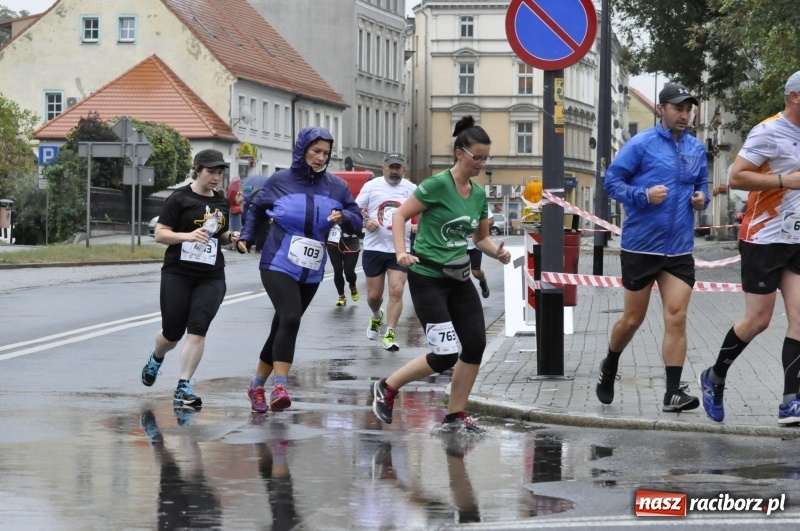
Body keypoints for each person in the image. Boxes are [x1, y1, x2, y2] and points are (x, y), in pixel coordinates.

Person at [371, 116, 511, 433]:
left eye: (486, 158)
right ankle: (387, 387)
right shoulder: (436, 185)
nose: (482, 164)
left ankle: (455, 415)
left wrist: (498, 253)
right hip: (427, 278)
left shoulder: (478, 194)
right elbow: (399, 216)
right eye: (477, 157)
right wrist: (401, 252)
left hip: (459, 278)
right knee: (446, 354)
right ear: (460, 153)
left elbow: (480, 238)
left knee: (474, 345)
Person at [595, 83, 709, 412]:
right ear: (662, 109)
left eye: (688, 109)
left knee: (677, 316)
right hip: (641, 246)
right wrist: (643, 195)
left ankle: (672, 393)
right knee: (632, 319)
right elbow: (612, 182)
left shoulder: (696, 148)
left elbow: (702, 184)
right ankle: (610, 363)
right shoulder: (641, 144)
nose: (684, 115)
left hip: (679, 249)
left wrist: (702, 198)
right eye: (678, 108)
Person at [698, 71, 800, 426]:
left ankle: (791, 401)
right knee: (758, 320)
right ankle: (714, 376)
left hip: (796, 238)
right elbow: (736, 177)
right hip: (763, 237)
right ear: (795, 96)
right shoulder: (768, 131)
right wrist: (785, 180)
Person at [237, 127, 362, 414]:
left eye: (326, 153)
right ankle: (280, 386)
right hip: (278, 262)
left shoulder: (337, 186)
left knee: (283, 325)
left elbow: (357, 219)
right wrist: (246, 235)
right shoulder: (280, 181)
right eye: (315, 151)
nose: (320, 158)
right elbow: (256, 209)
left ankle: (256, 386)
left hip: (312, 269)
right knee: (291, 317)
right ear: (303, 150)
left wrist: (344, 216)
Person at [140, 149, 240, 409]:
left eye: (220, 172)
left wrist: (232, 238)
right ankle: (157, 357)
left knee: (198, 329)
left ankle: (183, 386)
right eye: (210, 171)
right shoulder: (179, 198)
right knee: (172, 333)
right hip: (178, 273)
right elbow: (160, 234)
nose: (216, 177)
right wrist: (188, 236)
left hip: (211, 276)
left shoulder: (220, 202)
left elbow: (220, 235)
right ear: (197, 170)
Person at [356, 152, 417, 350]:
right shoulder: (371, 186)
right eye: (391, 167)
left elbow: (424, 210)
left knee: (397, 290)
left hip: (400, 249)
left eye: (398, 167)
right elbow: (355, 209)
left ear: (404, 168)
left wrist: (418, 225)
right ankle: (376, 316)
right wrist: (366, 221)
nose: (394, 171)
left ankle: (390, 333)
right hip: (374, 247)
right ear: (383, 167)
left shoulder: (411, 189)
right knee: (374, 296)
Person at [326, 222, 361, 306]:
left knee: (349, 271)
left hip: (351, 240)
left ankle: (352, 285)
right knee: (337, 270)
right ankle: (341, 296)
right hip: (333, 241)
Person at [467, 210, 494, 298]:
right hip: (459, 244)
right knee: (458, 272)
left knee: (476, 273)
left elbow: (491, 220)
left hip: (476, 244)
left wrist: (477, 227)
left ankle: (482, 281)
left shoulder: (479, 202)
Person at [226, 178, 244, 249]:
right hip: (235, 211)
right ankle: (233, 244)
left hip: (232, 210)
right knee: (236, 228)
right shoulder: (235, 193)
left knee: (233, 227)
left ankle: (231, 244)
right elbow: (237, 202)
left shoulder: (230, 193)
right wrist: (241, 196)